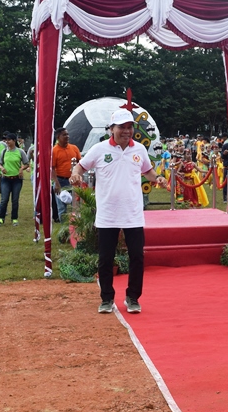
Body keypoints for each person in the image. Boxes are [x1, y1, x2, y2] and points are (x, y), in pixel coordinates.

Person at [70, 110, 166, 315]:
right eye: (121, 127)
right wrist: (75, 175)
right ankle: (106, 298)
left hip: (133, 214)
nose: (126, 131)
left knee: (137, 257)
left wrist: (156, 178)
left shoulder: (139, 149)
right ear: (111, 129)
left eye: (129, 127)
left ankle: (133, 297)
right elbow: (80, 167)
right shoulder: (99, 149)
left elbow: (147, 171)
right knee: (105, 258)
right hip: (108, 215)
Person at [0, 132, 30, 227]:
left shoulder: (20, 151)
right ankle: (1, 218)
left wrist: (21, 169)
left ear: (14, 141)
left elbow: (27, 163)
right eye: (6, 140)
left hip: (17, 179)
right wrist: (1, 168)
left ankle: (14, 219)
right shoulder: (4, 151)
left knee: (15, 200)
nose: (7, 142)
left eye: (9, 140)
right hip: (5, 179)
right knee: (4, 199)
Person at [51, 128, 82, 222]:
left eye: (67, 134)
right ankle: (64, 233)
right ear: (58, 137)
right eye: (64, 135)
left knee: (76, 206)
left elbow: (80, 163)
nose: (67, 136)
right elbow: (52, 168)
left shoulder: (74, 148)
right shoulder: (54, 150)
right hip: (60, 181)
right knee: (62, 209)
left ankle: (75, 231)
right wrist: (56, 183)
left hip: (73, 181)